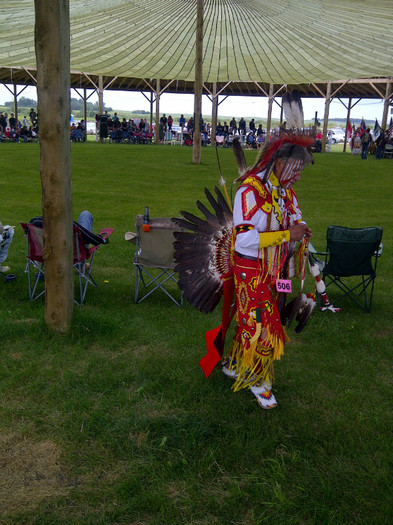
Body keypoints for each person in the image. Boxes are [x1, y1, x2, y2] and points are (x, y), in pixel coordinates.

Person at [222, 134, 314, 409]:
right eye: (294, 170)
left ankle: (236, 362)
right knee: (264, 325)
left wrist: (301, 227)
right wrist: (288, 234)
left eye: (300, 171)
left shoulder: (284, 192)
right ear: (279, 162)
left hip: (277, 269)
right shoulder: (249, 192)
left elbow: (295, 215)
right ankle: (257, 379)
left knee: (252, 319)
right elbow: (244, 239)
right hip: (250, 269)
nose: (297, 177)